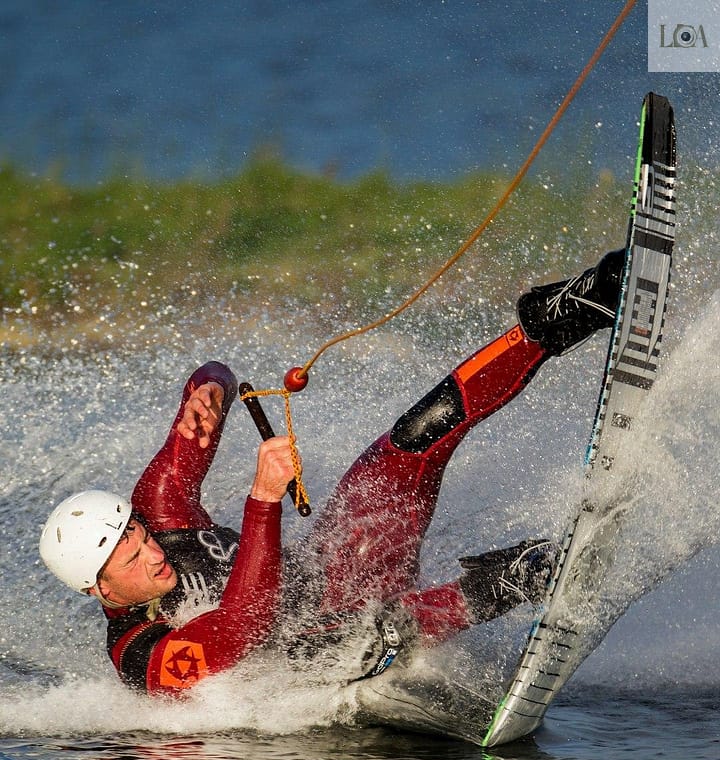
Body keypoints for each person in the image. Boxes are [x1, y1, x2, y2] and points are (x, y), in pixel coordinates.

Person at [39, 249, 624, 695]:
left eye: (137, 535)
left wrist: (209, 391)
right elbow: (243, 626)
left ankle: (563, 314)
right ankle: (519, 578)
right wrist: (263, 500)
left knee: (409, 442)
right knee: (349, 640)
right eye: (130, 560)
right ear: (100, 589)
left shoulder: (161, 506)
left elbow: (213, 374)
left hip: (337, 571)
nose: (151, 553)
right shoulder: (142, 657)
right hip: (321, 657)